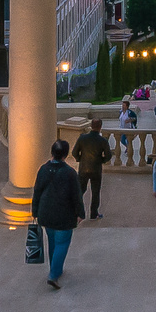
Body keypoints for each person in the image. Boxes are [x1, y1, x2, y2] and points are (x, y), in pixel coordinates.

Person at [31, 139, 85, 289]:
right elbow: (76, 195)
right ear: (65, 154)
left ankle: (55, 269)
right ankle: (53, 274)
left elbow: (37, 191)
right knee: (62, 243)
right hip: (63, 215)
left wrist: (35, 211)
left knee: (53, 241)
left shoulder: (43, 169)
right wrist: (80, 213)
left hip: (46, 213)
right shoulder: (69, 173)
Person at [72, 118, 111, 220]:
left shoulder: (82, 138)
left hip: (83, 168)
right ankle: (94, 214)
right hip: (96, 169)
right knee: (95, 192)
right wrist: (101, 160)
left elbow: (74, 152)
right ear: (100, 127)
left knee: (80, 190)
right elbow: (108, 156)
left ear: (91, 126)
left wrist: (80, 159)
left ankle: (78, 212)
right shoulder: (103, 141)